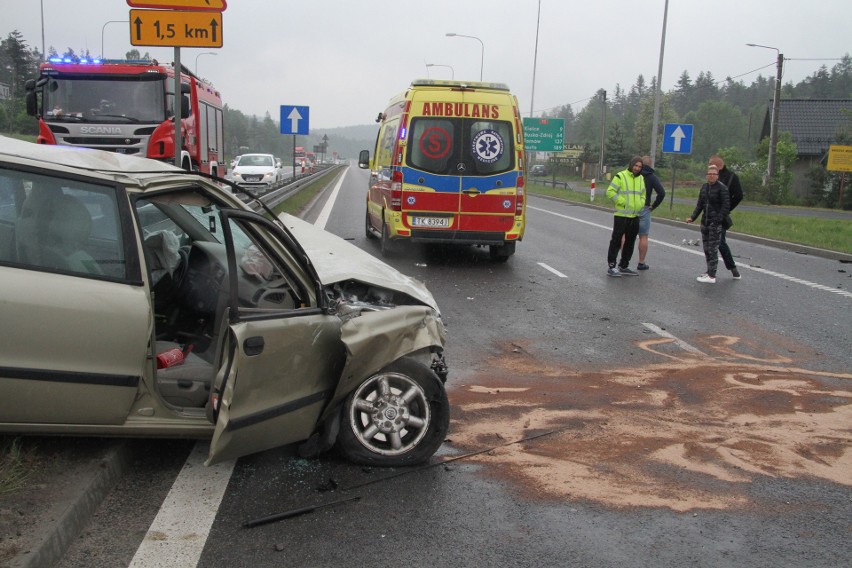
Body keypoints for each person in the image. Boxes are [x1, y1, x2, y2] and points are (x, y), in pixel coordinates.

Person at [686, 164, 730, 284]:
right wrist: (692, 217)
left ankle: (712, 275)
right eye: (709, 174)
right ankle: (709, 271)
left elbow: (726, 206)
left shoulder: (722, 188)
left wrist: (718, 219)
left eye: (713, 174)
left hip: (715, 223)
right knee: (706, 249)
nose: (711, 176)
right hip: (705, 222)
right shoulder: (704, 187)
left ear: (717, 176)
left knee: (712, 249)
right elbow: (700, 204)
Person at [621, 155, 666, 270]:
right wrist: (653, 206)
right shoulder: (652, 177)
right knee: (643, 236)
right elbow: (661, 192)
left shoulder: (633, 175)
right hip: (645, 208)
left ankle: (623, 260)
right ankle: (641, 262)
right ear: (650, 165)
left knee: (625, 235)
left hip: (631, 207)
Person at [606, 156, 646, 277]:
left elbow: (643, 193)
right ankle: (612, 266)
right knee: (616, 241)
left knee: (630, 242)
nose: (637, 168)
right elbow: (610, 192)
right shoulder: (620, 176)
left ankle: (624, 265)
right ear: (631, 165)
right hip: (621, 215)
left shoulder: (641, 178)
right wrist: (622, 201)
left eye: (639, 167)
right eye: (636, 166)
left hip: (634, 215)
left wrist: (641, 204)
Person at [708, 155, 743, 279]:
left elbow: (738, 195)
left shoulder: (731, 177)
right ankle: (711, 271)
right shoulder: (712, 177)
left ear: (717, 165)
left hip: (721, 216)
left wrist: (727, 209)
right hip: (710, 215)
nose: (709, 168)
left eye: (711, 165)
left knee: (720, 242)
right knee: (710, 243)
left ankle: (732, 268)